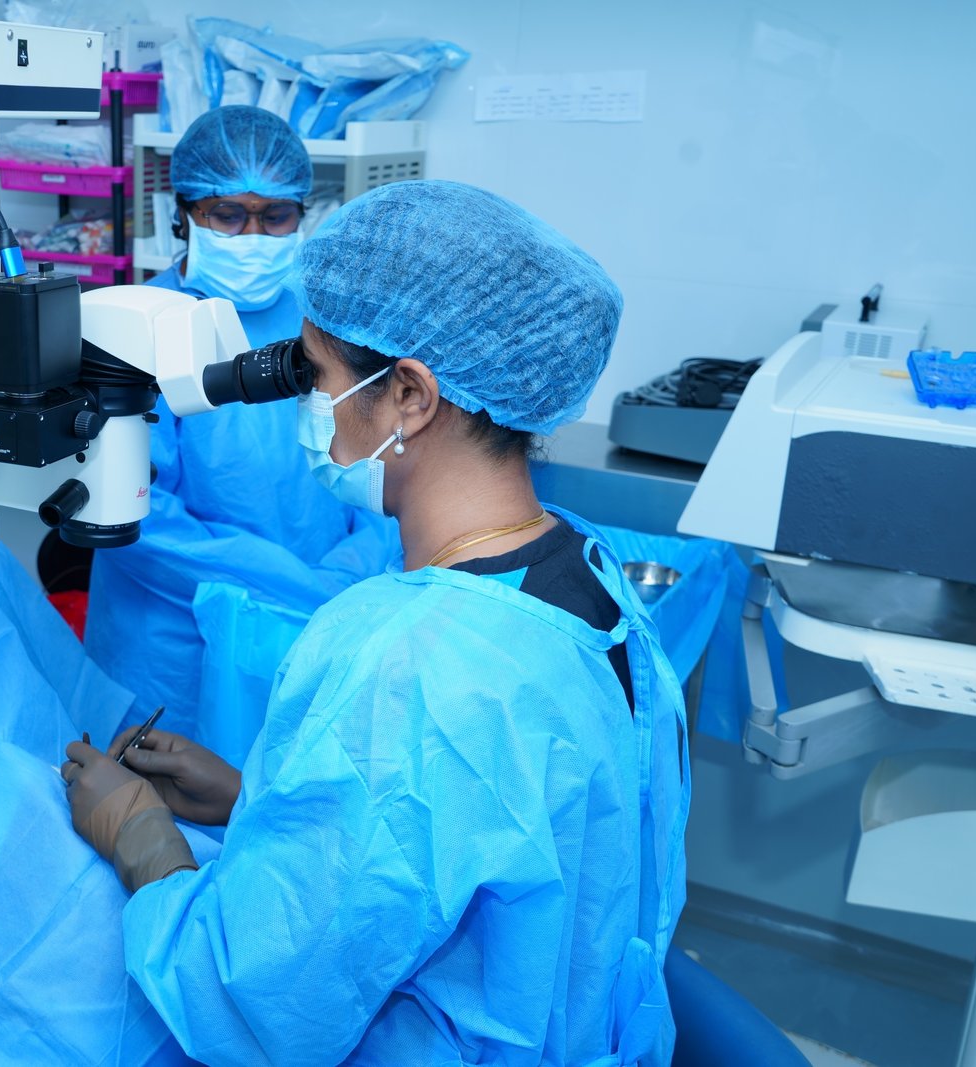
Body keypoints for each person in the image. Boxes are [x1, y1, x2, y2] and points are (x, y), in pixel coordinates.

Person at [63, 180, 691, 1065]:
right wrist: (255, 800)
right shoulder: (587, 575)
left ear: (409, 397)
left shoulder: (406, 664)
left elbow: (255, 1005)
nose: (305, 406)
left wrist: (143, 838)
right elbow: (502, 845)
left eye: (315, 377)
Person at [83, 105, 397, 738]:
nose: (253, 235)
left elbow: (387, 453)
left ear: (303, 214)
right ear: (182, 215)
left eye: (275, 216)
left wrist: (358, 563)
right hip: (176, 638)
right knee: (160, 789)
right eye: (227, 215)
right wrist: (300, 587)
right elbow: (135, 518)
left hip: (327, 614)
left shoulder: (331, 322)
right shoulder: (129, 329)